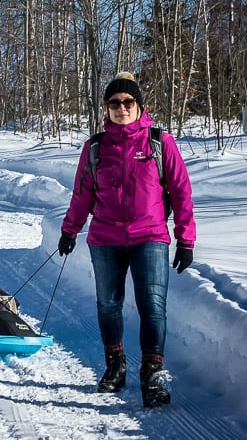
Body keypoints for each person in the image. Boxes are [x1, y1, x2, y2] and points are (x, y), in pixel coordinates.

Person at [58, 71, 196, 408]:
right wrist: (69, 230)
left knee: (152, 305)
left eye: (128, 102)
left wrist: (186, 239)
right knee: (108, 304)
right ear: (106, 109)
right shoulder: (95, 148)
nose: (122, 107)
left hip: (150, 236)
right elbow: (82, 195)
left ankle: (152, 374)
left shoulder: (159, 143)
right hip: (105, 239)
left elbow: (181, 192)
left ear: (139, 106)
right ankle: (115, 366)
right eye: (115, 103)